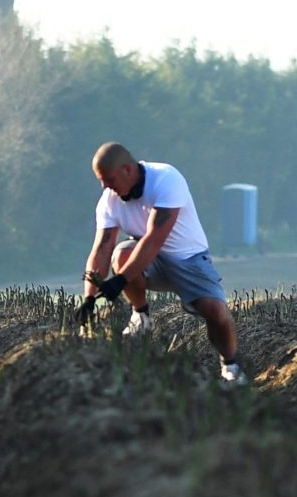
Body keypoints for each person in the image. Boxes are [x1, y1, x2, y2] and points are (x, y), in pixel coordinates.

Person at [79, 143, 245, 386]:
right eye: (100, 180)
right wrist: (89, 298)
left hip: (188, 259)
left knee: (216, 312)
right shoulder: (108, 201)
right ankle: (141, 317)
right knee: (120, 253)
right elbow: (101, 249)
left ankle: (231, 367)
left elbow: (155, 239)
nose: (105, 186)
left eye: (108, 179)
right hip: (148, 263)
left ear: (126, 169)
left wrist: (121, 280)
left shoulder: (166, 179)